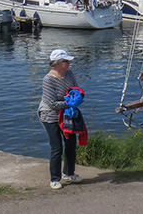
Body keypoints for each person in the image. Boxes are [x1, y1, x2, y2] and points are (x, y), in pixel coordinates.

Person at [38, 49, 83, 190]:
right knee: (57, 146)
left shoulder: (69, 74)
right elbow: (51, 104)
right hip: (50, 115)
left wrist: (77, 96)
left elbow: (75, 89)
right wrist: (69, 102)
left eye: (68, 61)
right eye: (65, 61)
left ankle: (69, 173)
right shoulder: (48, 80)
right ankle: (55, 178)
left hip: (67, 114)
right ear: (56, 63)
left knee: (70, 143)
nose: (68, 64)